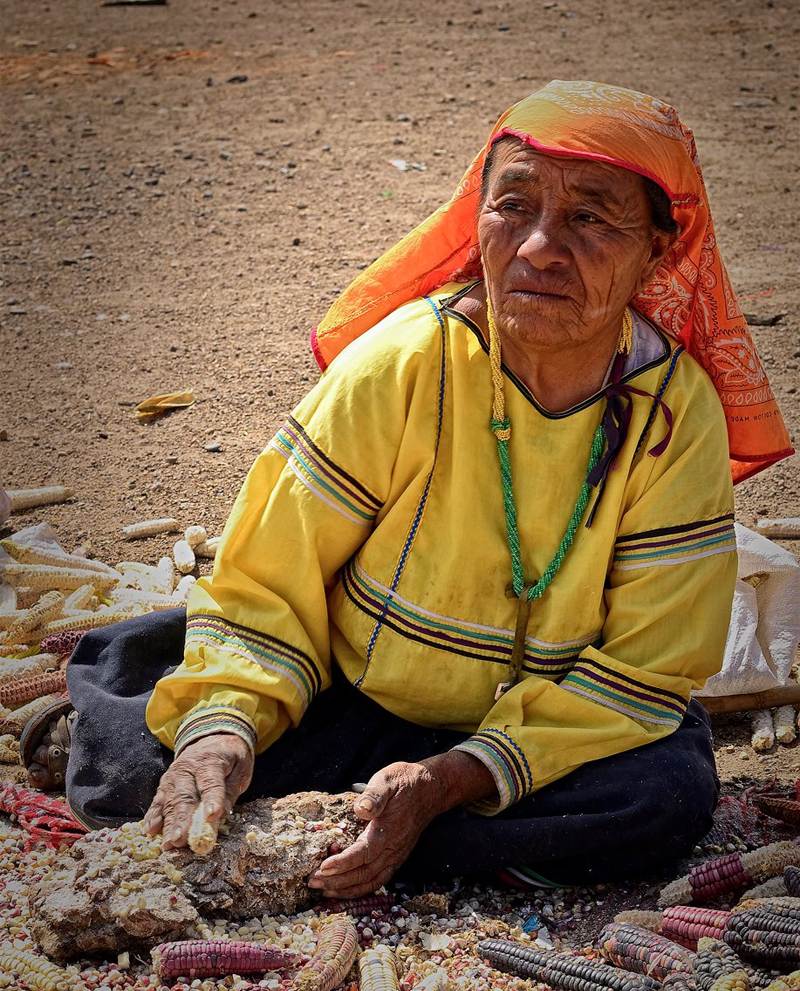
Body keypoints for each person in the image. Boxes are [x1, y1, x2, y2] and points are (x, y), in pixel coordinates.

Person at [27, 81, 791, 896]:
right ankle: (412, 841)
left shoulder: (674, 416)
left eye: (591, 218)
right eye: (514, 206)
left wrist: (450, 777)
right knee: (154, 755)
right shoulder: (403, 365)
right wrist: (221, 739)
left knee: (667, 794)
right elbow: (266, 583)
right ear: (479, 219)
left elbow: (647, 663)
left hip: (550, 727)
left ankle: (353, 833)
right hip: (357, 693)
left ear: (657, 250)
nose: (537, 248)